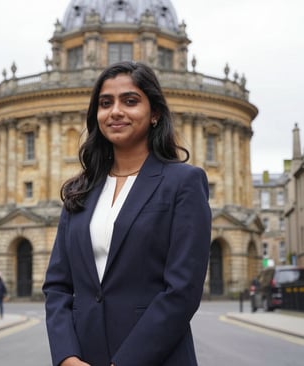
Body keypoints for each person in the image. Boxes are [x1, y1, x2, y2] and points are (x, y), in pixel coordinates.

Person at [43, 61, 212, 366]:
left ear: (155, 113)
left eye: (130, 101)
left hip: (156, 358)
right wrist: (67, 357)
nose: (116, 111)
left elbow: (182, 290)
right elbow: (57, 285)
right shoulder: (79, 189)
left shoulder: (183, 182)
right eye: (105, 103)